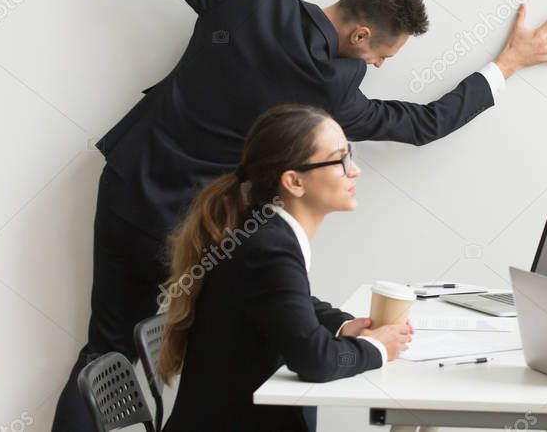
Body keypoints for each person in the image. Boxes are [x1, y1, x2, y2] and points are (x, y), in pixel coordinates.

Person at [53, 0, 547, 430]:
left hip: (130, 186)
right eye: (382, 57)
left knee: (104, 350)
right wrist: (508, 65)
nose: (377, 69)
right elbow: (422, 124)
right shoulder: (330, 99)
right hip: (200, 231)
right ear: (361, 37)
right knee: (237, 355)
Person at [158, 104, 410, 431]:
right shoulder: (268, 248)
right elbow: (314, 361)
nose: (355, 170)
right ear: (294, 181)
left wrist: (344, 327)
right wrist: (377, 348)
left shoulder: (262, 233)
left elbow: (290, 302)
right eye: (341, 158)